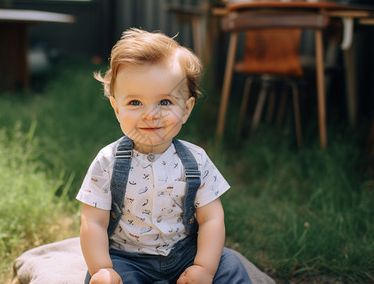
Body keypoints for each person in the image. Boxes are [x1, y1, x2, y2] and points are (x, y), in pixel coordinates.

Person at [76, 28, 252, 284]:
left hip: (185, 254)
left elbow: (212, 218)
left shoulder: (197, 160)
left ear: (186, 109)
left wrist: (203, 267)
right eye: (135, 103)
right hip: (127, 258)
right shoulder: (107, 161)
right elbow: (92, 222)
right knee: (105, 280)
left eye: (165, 102)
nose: (151, 115)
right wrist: (103, 268)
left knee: (230, 266)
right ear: (116, 108)